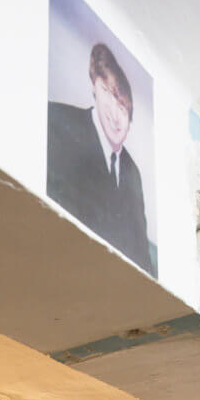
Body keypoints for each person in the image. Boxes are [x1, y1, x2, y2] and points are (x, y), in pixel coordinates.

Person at [47, 42, 153, 275]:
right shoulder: (56, 120)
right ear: (94, 88)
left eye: (123, 108)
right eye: (107, 92)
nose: (115, 114)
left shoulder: (132, 172)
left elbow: (142, 256)